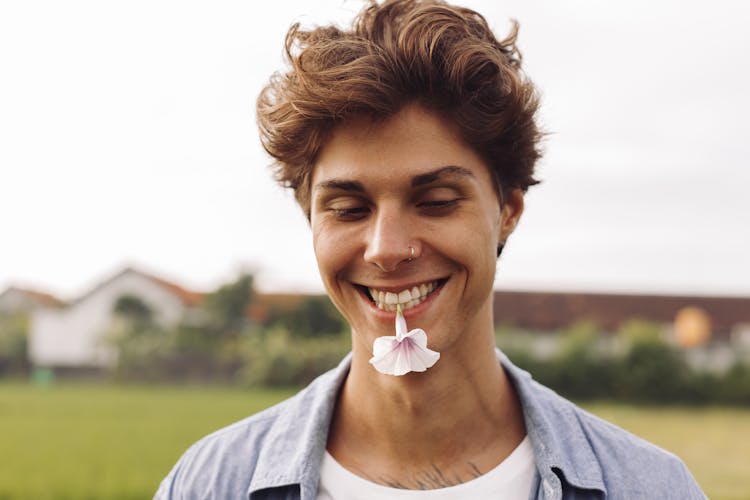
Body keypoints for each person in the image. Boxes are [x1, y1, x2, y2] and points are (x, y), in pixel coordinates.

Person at [156, 1, 706, 498]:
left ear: (508, 211)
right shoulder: (208, 485)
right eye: (348, 209)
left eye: (437, 200)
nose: (386, 249)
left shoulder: (651, 488)